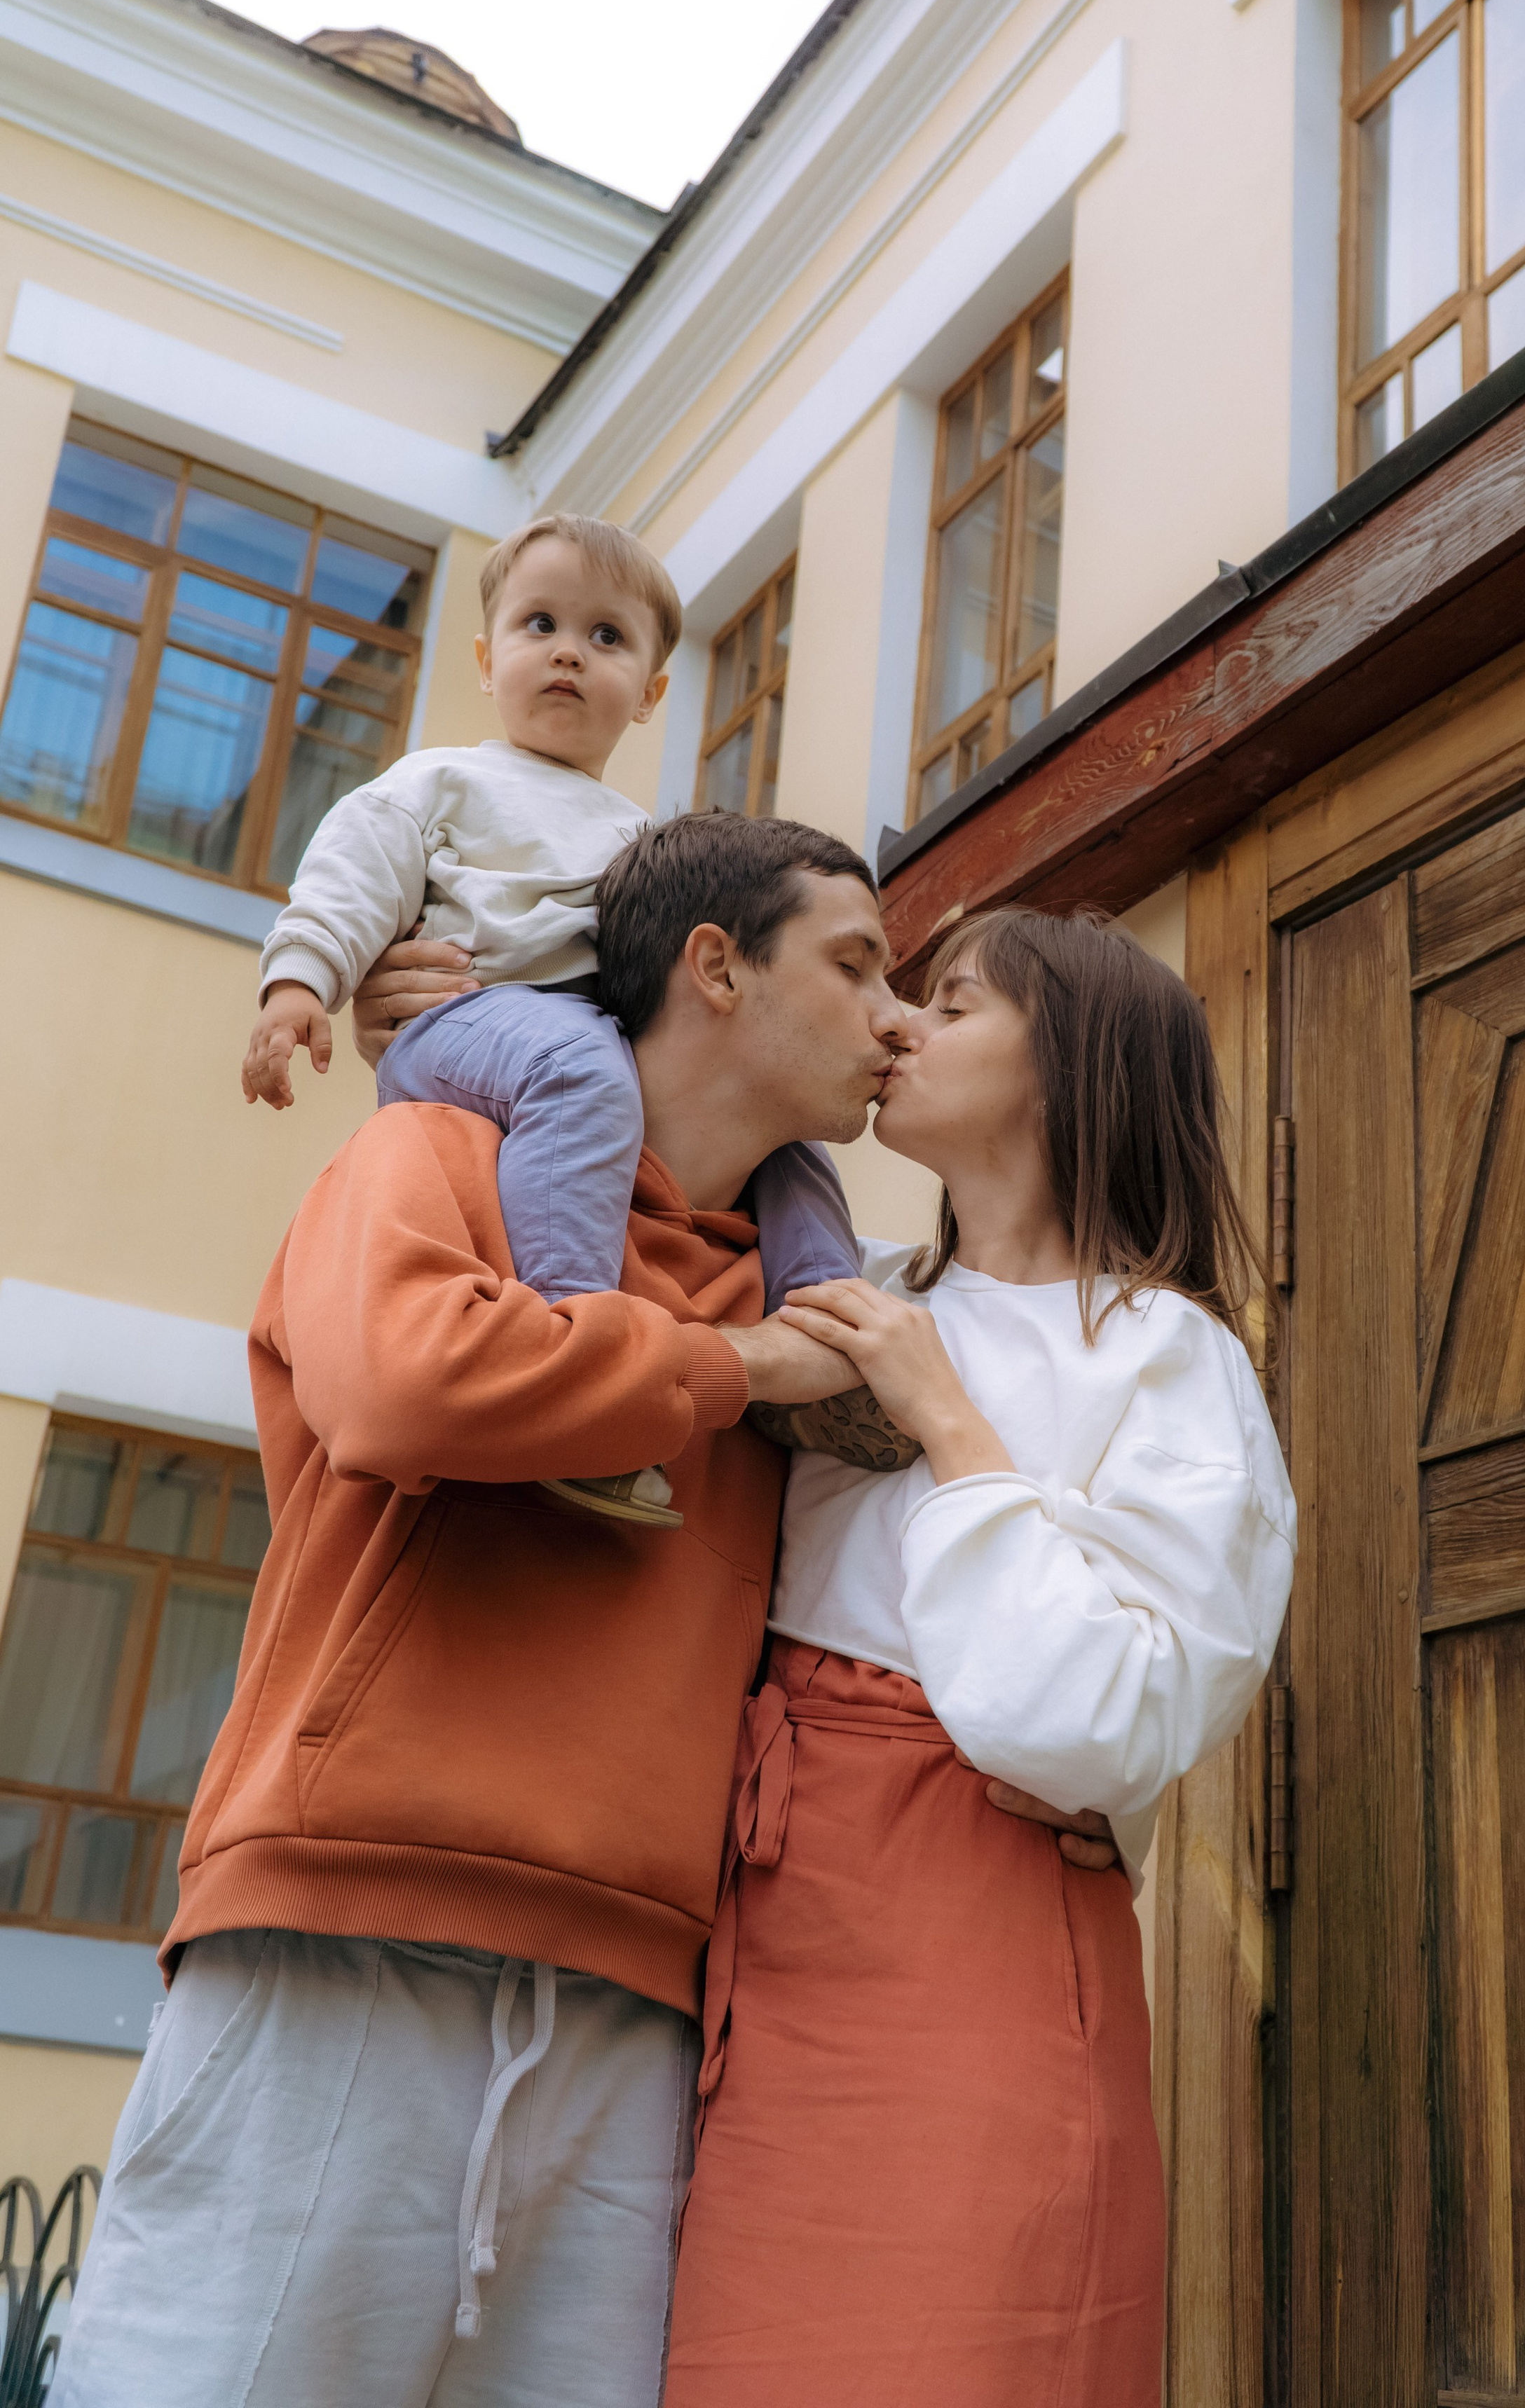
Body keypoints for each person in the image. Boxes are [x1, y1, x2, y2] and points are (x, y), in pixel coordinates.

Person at [51, 813, 918, 2408]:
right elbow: (407, 1387)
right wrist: (731, 1371)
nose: (894, 1016)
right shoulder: (435, 1156)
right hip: (339, 1932)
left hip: (641, 2009)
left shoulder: (821, 1309)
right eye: (857, 965)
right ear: (716, 968)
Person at [662, 908, 1298, 2408]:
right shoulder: (849, 1291)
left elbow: (1109, 1719)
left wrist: (948, 1424)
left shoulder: (1167, 1356)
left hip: (975, 1930)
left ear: (1068, 1062)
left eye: (949, 1004)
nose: (899, 1025)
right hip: (748, 1914)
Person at [240, 511, 862, 1521]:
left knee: (785, 1133)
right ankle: (578, 1345)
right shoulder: (442, 782)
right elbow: (349, 884)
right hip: (467, 1021)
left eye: (607, 636)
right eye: (540, 624)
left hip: (587, 1045)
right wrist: (301, 986)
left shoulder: (646, 840)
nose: (569, 650)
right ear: (489, 661)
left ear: (651, 692)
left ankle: (832, 1332)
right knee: (578, 1068)